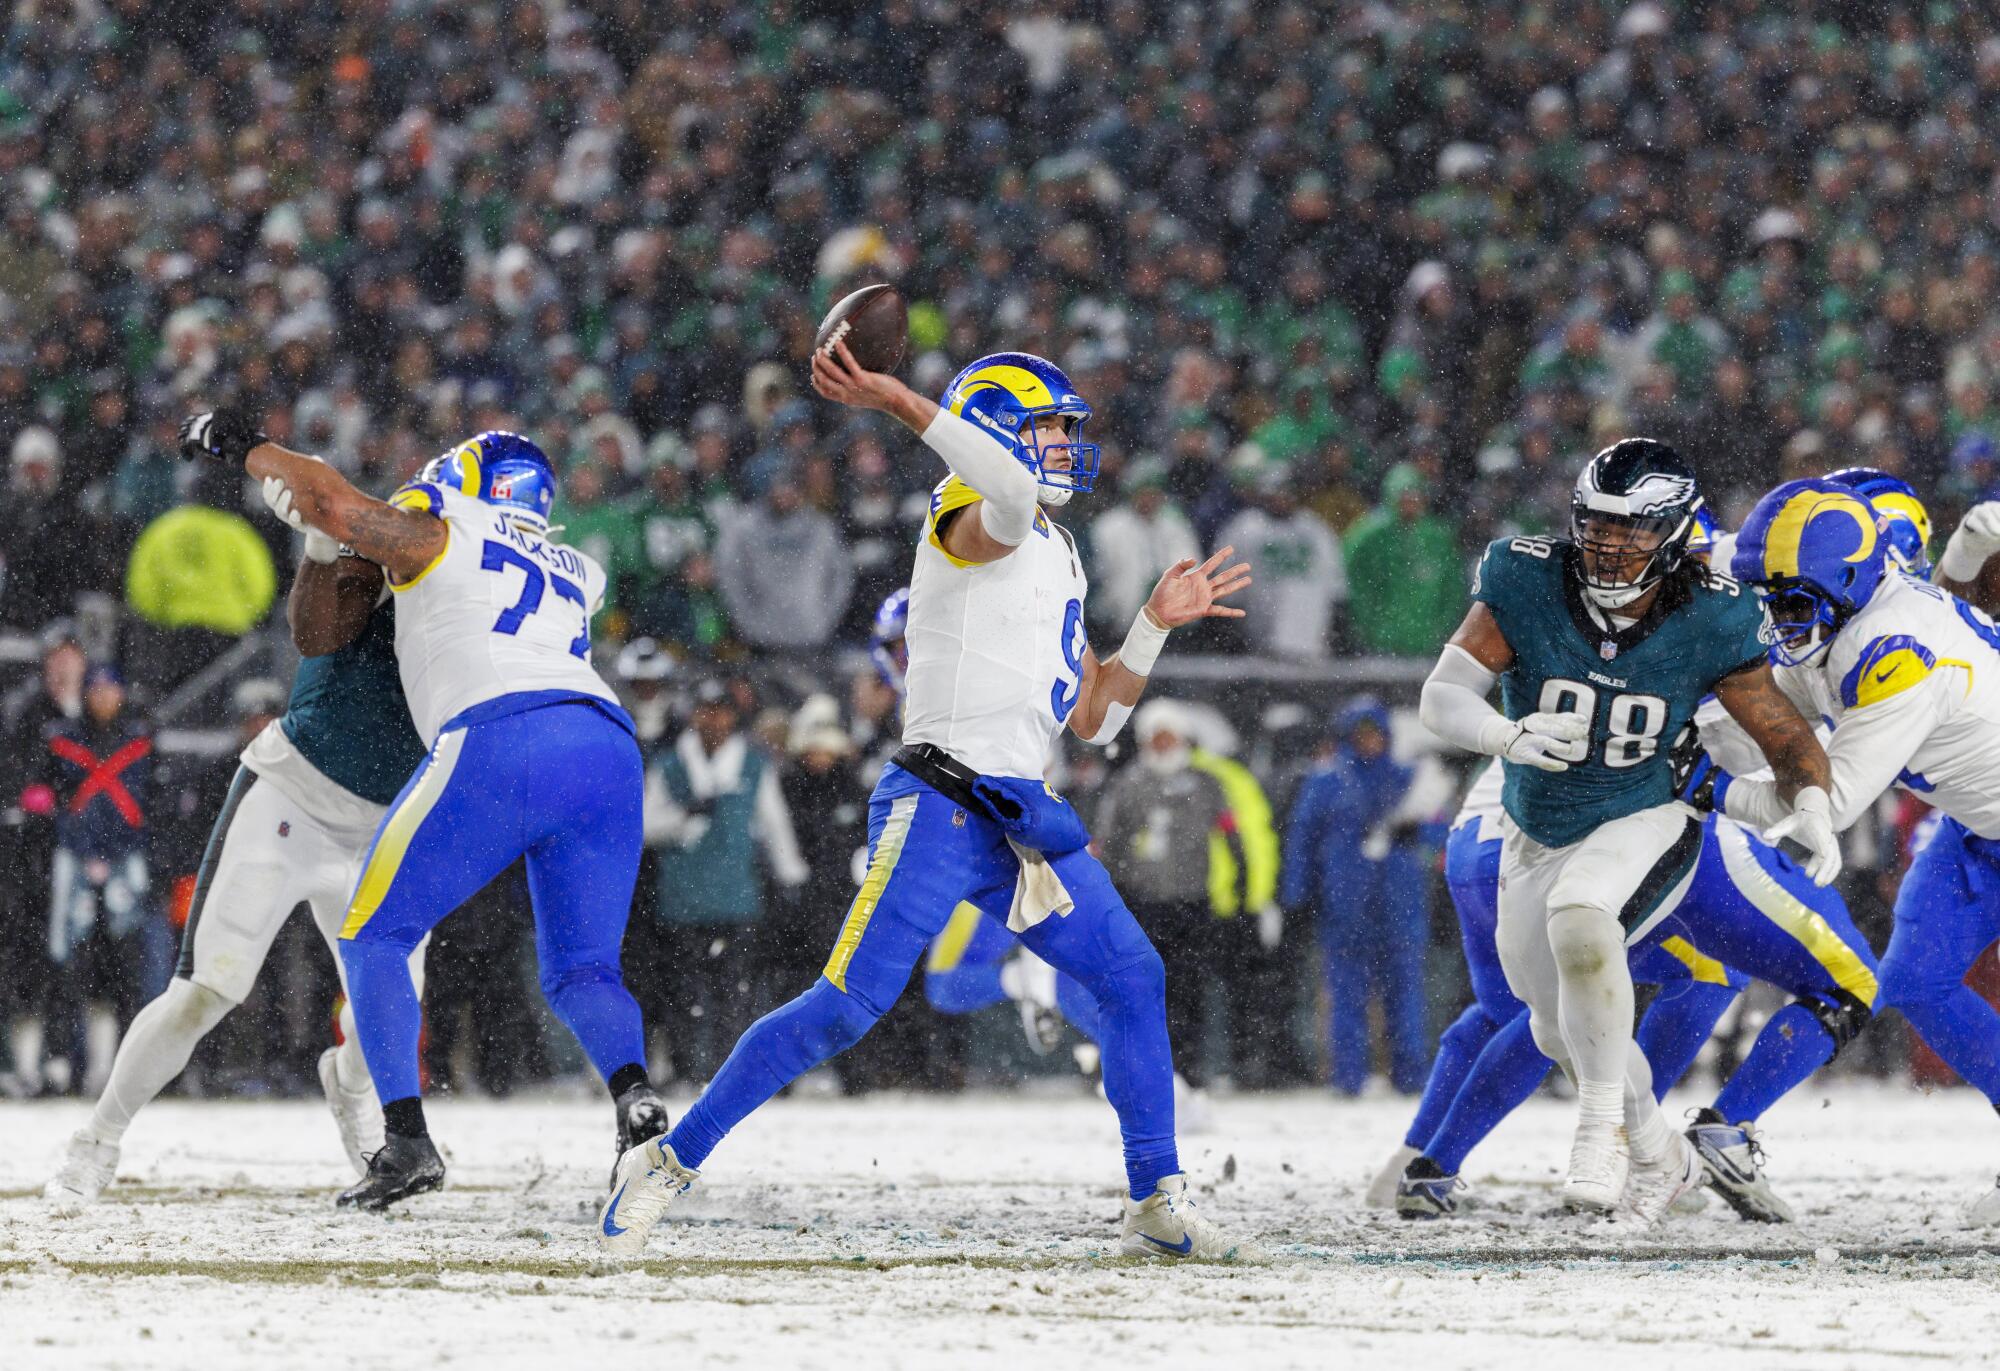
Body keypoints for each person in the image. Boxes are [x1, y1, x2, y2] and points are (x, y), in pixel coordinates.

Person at [599, 343, 1257, 1261]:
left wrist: (1150, 626)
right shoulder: (963, 505)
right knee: (845, 1006)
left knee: (1132, 976)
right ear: (996, 432)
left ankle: (1155, 1195)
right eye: (1049, 427)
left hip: (1021, 819)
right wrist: (899, 399)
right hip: (941, 801)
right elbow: (1008, 495)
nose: (1066, 444)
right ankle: (669, 1159)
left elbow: (1098, 719)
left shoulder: (1060, 550)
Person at [177, 414, 663, 1211]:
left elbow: (333, 504)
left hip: (504, 731)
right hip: (607, 746)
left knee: (373, 934)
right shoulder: (580, 567)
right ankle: (636, 1100)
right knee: (584, 970)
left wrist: (247, 447)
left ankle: (405, 1140)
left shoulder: (445, 528)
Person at [1416, 437, 1835, 1223]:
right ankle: (1660, 1151)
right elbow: (1441, 696)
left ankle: (1600, 1130)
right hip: (1536, 821)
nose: (1610, 543)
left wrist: (1811, 800)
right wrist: (1506, 734)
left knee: (1582, 917)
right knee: (1555, 1027)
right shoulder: (1525, 576)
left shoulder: (1713, 612)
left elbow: (1783, 734)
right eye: (1598, 523)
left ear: (1674, 532)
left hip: (1648, 808)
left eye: (1633, 528)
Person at [44, 494, 431, 1211]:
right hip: (294, 799)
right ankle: (96, 1140)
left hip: (386, 825)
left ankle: (349, 1090)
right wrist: (320, 545)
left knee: (390, 1008)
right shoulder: (365, 575)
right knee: (205, 989)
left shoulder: (472, 612)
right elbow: (312, 624)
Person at [1384, 747, 1880, 1224]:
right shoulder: (1714, 692)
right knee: (1705, 973)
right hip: (1564, 848)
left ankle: (1422, 1165)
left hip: (1477, 848)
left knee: (1520, 1013)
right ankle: (1644, 1151)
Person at [1698, 477, 2000, 1223]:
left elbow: (1824, 804)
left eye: (1791, 601)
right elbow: (1762, 719)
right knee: (1915, 982)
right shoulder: (1847, 614)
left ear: (1851, 580)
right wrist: (1676, 730)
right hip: (1972, 829)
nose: (1776, 618)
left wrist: (1700, 785)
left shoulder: (1896, 647)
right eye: (1768, 598)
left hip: (1974, 819)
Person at [641, 675, 808, 1081]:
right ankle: (687, 1069)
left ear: (733, 717)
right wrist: (683, 819)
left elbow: (775, 825)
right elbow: (644, 826)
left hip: (736, 898)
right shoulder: (670, 765)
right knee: (682, 992)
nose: (713, 720)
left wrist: (791, 876)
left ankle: (727, 1073)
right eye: (705, 711)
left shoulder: (752, 765)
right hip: (682, 900)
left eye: (720, 711)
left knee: (735, 993)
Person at [1282, 697, 1440, 1096]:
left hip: (1400, 907)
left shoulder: (1410, 779)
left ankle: (1410, 1076)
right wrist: (1296, 895)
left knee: (1405, 996)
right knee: (1347, 996)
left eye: (1376, 734)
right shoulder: (1326, 781)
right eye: (1361, 734)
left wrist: (1418, 833)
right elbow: (1302, 839)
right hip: (1345, 908)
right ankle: (1348, 1078)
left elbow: (1440, 829)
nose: (1370, 741)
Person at [1094, 698, 1241, 1096]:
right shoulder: (1128, 784)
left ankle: (1188, 1071)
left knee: (1190, 989)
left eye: (1168, 737)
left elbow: (1231, 835)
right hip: (1142, 903)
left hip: (1192, 901)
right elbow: (1109, 842)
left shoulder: (1206, 784)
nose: (1162, 746)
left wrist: (1241, 891)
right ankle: (1143, 1071)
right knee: (1141, 991)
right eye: (1155, 738)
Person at [38, 664, 155, 1097]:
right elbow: (49, 795)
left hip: (127, 860)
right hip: (74, 858)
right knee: (69, 962)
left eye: (111, 689)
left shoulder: (140, 739)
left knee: (130, 964)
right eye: (97, 690)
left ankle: (132, 1068)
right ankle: (66, 1064)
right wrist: (79, 846)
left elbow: (151, 801)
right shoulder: (61, 739)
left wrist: (133, 851)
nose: (104, 698)